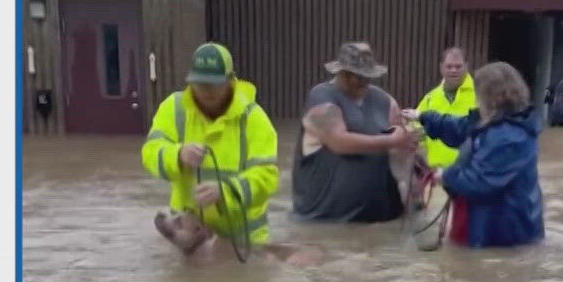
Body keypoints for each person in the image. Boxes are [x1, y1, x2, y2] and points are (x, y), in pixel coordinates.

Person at [141, 42, 280, 256]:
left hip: (243, 244)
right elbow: (150, 152)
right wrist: (177, 155)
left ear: (230, 80)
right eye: (200, 83)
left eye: (214, 84)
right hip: (189, 240)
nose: (206, 91)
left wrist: (224, 192)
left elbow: (266, 178)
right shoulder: (174, 109)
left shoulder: (254, 119)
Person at [404, 61, 544, 248]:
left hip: (504, 233)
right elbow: (460, 127)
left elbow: (480, 181)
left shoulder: (508, 137)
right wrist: (423, 116)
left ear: (491, 96)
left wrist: (445, 175)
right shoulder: (493, 122)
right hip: (492, 223)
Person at [292, 41, 422, 224]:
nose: (360, 81)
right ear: (340, 72)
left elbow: (401, 155)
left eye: (366, 76)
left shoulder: (385, 101)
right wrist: (391, 141)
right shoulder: (321, 98)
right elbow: (339, 142)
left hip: (378, 221)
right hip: (324, 221)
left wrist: (414, 192)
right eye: (354, 75)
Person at [414, 48, 476, 170]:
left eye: (458, 66)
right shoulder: (430, 98)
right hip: (436, 175)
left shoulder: (480, 95)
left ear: (467, 66)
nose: (453, 70)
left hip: (470, 176)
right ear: (441, 67)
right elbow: (416, 131)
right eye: (449, 66)